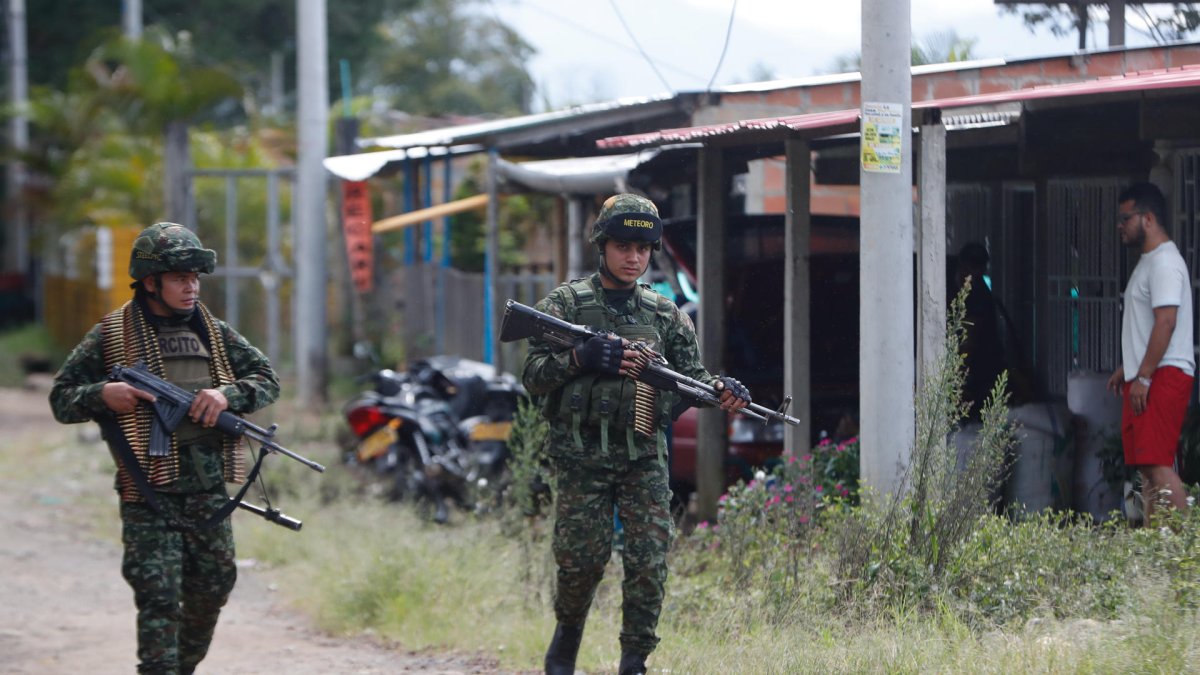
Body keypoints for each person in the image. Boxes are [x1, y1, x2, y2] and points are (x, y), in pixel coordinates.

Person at [522, 193, 750, 675]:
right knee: (582, 558)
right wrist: (582, 358)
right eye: (624, 246)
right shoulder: (565, 305)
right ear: (602, 246)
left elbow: (694, 380)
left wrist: (722, 390)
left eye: (644, 248)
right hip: (581, 453)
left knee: (649, 558)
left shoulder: (665, 315)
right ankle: (565, 644)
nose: (634, 257)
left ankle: (635, 660)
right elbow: (534, 376)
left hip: (643, 454)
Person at [49, 222, 280, 674]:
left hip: (207, 487)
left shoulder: (213, 332)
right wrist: (102, 395)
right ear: (150, 282)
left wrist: (226, 396)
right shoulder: (112, 333)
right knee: (159, 598)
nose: (191, 286)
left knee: (212, 587)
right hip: (149, 493)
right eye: (179, 277)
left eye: (195, 277)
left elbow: (267, 379)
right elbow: (62, 398)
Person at [1105, 182, 1195, 523]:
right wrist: (1128, 368)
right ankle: (1153, 548)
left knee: (1157, 465)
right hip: (1147, 373)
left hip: (1163, 374)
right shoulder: (1149, 262)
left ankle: (1187, 547)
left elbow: (1166, 323)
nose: (1120, 226)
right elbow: (1147, 327)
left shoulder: (1165, 263)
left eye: (1125, 218)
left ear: (1148, 218)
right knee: (1146, 467)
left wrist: (1143, 375)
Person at [954, 242, 1007, 418]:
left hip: (979, 368)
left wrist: (959, 378)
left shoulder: (977, 296)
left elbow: (970, 340)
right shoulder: (971, 291)